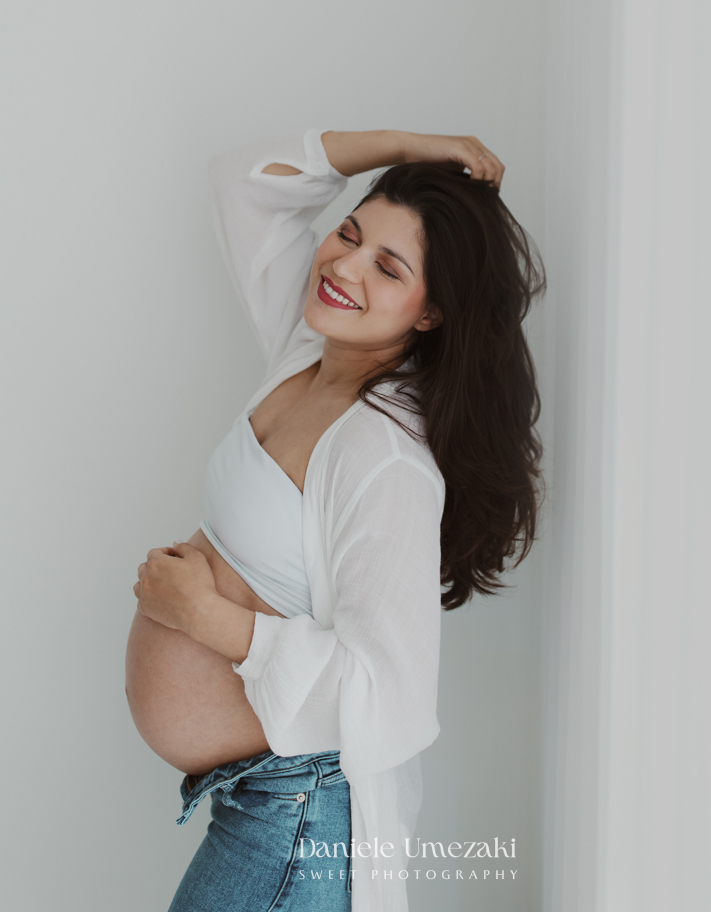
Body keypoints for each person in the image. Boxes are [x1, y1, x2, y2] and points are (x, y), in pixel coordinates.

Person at [126, 128, 545, 912]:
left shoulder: (385, 459)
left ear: (431, 314)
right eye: (350, 233)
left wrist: (206, 619)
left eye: (388, 268)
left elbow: (391, 699)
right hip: (265, 802)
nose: (345, 266)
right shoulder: (306, 351)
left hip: (297, 817)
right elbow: (241, 180)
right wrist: (412, 144)